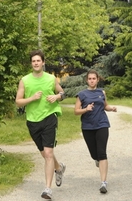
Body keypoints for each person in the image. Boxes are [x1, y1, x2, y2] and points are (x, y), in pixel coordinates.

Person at [15, 49, 66, 200]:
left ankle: (47, 189)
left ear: (43, 62)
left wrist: (56, 96)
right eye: (33, 61)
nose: (36, 63)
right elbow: (18, 102)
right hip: (32, 121)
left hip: (49, 118)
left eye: (38, 60)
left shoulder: (51, 79)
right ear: (31, 63)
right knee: (45, 153)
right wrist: (31, 98)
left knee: (49, 153)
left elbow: (63, 94)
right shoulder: (25, 80)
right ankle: (59, 168)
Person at [74, 69, 117, 194]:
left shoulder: (101, 92)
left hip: (102, 124)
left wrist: (112, 108)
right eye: (90, 79)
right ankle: (97, 159)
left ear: (97, 80)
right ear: (87, 80)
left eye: (94, 78)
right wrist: (86, 109)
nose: (92, 80)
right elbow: (76, 111)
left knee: (102, 153)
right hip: (87, 127)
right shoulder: (82, 94)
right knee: (95, 154)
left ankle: (103, 182)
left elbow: (105, 106)